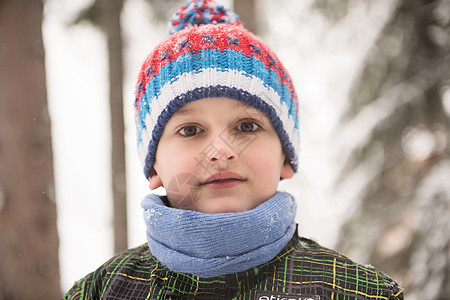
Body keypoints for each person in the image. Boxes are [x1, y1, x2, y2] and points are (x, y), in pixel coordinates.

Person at [64, 0, 404, 299]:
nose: (220, 151)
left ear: (286, 156)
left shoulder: (357, 292)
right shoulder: (101, 290)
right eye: (190, 130)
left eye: (246, 127)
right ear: (153, 166)